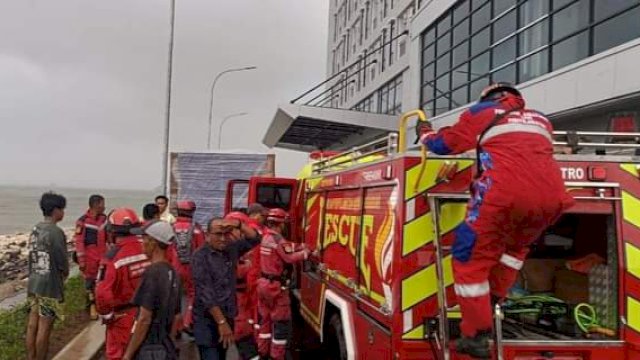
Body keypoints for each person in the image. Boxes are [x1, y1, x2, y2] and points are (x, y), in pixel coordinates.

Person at [419, 82, 574, 358]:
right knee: (513, 251)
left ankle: (476, 334)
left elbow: (446, 145)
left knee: (470, 258)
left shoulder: (482, 112)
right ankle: (490, 302)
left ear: (489, 98)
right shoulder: (541, 120)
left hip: (503, 197)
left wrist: (426, 134)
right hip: (552, 201)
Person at [191, 217, 261, 360]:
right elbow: (206, 294)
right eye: (218, 234)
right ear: (207, 235)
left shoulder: (231, 249)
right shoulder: (200, 257)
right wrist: (221, 323)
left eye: (226, 234)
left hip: (227, 316)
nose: (223, 239)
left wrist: (239, 224)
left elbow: (255, 239)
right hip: (207, 321)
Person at [95, 208, 151, 360]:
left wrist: (108, 315)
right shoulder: (147, 248)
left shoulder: (112, 257)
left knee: (117, 355)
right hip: (147, 313)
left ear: (111, 232)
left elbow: (102, 293)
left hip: (123, 318)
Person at [256, 208, 310, 360]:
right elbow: (289, 258)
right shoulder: (277, 239)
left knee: (265, 321)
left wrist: (299, 245)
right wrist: (307, 253)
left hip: (263, 284)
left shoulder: (266, 237)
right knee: (280, 324)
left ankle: (262, 352)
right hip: (275, 287)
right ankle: (276, 356)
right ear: (281, 224)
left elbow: (285, 247)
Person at [122, 221, 181, 360]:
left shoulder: (152, 273)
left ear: (153, 242)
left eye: (144, 239)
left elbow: (144, 319)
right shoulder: (173, 272)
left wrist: (128, 354)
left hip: (151, 347)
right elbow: (177, 316)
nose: (141, 243)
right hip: (165, 345)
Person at [25, 192, 69, 360]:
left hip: (34, 281)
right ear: (55, 210)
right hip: (49, 286)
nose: (63, 213)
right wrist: (63, 275)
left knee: (32, 325)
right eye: (62, 209)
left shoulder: (36, 228)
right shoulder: (56, 232)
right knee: (45, 326)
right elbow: (61, 261)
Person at [226, 211, 260, 360]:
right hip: (243, 296)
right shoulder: (231, 248)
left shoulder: (241, 246)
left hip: (249, 294)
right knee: (243, 331)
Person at [171, 200, 205, 332]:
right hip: (192, 268)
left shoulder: (170, 227)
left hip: (174, 267)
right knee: (193, 294)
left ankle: (175, 327)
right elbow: (202, 250)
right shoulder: (196, 229)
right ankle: (187, 321)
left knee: (175, 297)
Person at [74, 194, 107, 320]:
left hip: (103, 258)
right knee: (89, 284)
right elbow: (79, 242)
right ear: (96, 205)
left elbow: (109, 237)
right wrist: (81, 261)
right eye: (102, 204)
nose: (104, 207)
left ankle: (102, 306)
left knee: (102, 283)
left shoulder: (104, 219)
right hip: (89, 259)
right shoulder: (82, 221)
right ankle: (91, 307)